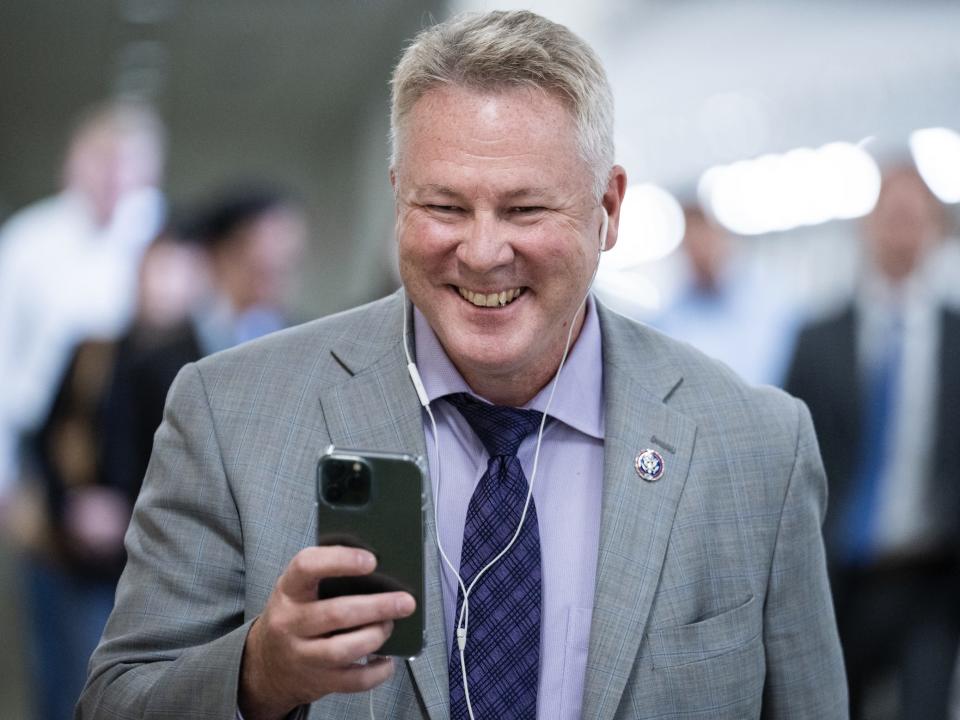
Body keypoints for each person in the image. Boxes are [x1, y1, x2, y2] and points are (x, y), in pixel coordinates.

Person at [79, 11, 847, 720]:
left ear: (608, 210)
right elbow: (116, 702)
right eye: (444, 207)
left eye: (525, 210)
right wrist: (258, 675)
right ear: (396, 202)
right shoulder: (231, 414)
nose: (482, 253)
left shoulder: (756, 451)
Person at [785, 165, 960, 719]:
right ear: (867, 227)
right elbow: (788, 455)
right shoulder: (818, 340)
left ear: (936, 231)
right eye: (891, 216)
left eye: (915, 218)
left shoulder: (957, 338)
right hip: (838, 577)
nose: (901, 231)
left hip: (932, 575)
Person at [0, 100, 166, 508]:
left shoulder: (159, 241)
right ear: (73, 162)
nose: (115, 177)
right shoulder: (28, 239)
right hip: (40, 440)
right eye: (102, 161)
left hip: (135, 443)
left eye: (129, 164)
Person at [100, 185, 307, 494]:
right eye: (264, 259)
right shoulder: (154, 357)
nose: (279, 268)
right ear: (222, 254)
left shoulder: (308, 349)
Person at [651, 203, 798, 386]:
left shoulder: (767, 302)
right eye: (692, 246)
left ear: (720, 238)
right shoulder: (670, 320)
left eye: (705, 241)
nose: (701, 254)